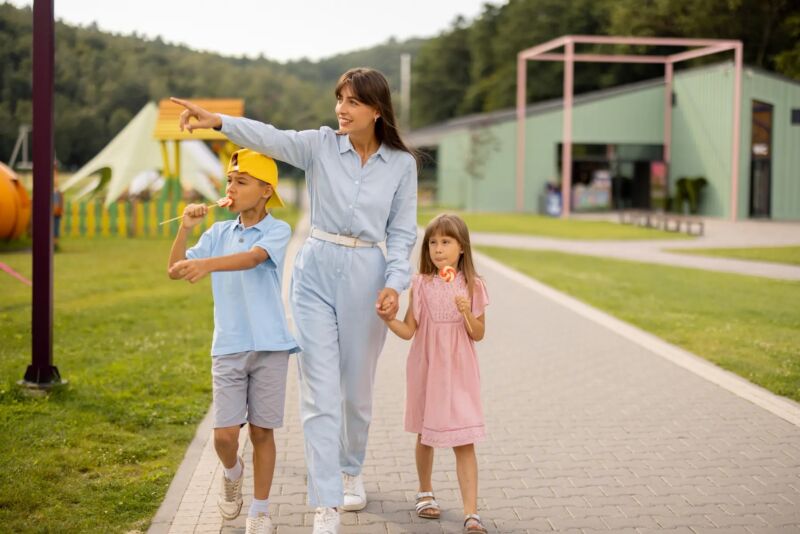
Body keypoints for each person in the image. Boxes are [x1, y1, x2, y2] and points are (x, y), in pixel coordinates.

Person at [171, 67, 417, 534]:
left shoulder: (401, 166)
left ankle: (351, 469)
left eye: (352, 102)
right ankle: (325, 503)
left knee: (357, 394)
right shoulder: (321, 145)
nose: (341, 109)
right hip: (315, 274)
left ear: (376, 110)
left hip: (368, 275)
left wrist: (394, 282)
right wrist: (217, 121)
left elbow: (403, 233)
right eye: (339, 99)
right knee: (319, 394)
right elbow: (270, 137)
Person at [167, 148, 299, 534]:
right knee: (224, 437)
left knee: (261, 432)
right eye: (229, 180)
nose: (231, 188)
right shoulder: (217, 233)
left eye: (241, 182)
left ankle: (259, 512)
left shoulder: (277, 230)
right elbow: (175, 271)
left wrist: (206, 265)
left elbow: (253, 259)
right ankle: (232, 472)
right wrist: (185, 229)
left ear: (264, 191)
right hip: (228, 346)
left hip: (271, 346)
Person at [383, 213, 490, 534]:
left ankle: (471, 512)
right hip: (427, 366)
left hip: (459, 371)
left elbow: (479, 333)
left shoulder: (474, 286)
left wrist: (466, 312)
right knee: (424, 433)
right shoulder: (421, 285)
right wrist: (388, 318)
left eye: (446, 242)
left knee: (464, 438)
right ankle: (425, 491)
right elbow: (408, 330)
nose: (438, 249)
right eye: (432, 242)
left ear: (461, 248)